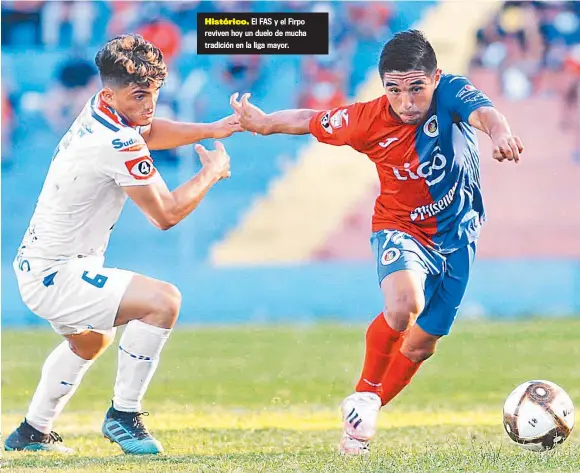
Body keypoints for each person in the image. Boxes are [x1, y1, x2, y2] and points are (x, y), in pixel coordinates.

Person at [230, 29, 524, 455]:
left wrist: (499, 135)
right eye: (395, 90)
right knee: (404, 307)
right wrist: (264, 123)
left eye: (416, 89)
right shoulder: (367, 120)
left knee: (422, 344)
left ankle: (363, 413)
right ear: (383, 86)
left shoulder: (453, 92)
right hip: (399, 227)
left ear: (435, 78)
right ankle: (366, 392)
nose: (406, 102)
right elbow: (310, 119)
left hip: (459, 234)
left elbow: (487, 116)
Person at [5, 34, 240, 455]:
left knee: (90, 341)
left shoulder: (101, 109)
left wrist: (211, 128)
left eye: (153, 93)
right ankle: (124, 415)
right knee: (163, 301)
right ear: (111, 92)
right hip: (57, 272)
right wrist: (212, 171)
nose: (149, 105)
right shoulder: (116, 141)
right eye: (139, 96)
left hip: (41, 264)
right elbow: (164, 215)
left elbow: (148, 130)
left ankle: (31, 432)